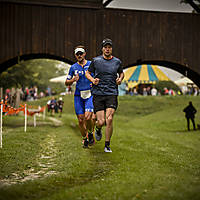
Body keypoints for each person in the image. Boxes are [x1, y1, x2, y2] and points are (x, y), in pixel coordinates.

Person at [85, 38, 124, 153]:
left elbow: (121, 73)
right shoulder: (96, 61)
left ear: (111, 49)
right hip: (98, 94)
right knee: (101, 122)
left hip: (111, 93)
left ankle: (107, 145)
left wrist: (120, 79)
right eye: (105, 47)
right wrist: (92, 80)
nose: (107, 49)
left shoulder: (117, 62)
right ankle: (97, 129)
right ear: (102, 49)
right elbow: (88, 73)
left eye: (109, 47)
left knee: (110, 119)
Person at [65, 45, 95, 148]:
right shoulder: (73, 67)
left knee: (88, 116)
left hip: (90, 94)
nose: (79, 55)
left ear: (84, 54)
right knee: (81, 120)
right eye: (77, 54)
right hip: (78, 95)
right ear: (75, 55)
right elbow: (66, 82)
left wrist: (94, 82)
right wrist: (73, 80)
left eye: (81, 53)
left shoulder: (91, 64)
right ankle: (85, 139)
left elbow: (98, 76)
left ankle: (90, 132)